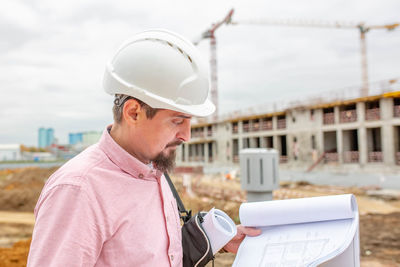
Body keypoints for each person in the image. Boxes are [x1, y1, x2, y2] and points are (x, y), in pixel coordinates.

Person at [27, 29, 260, 267]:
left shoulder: (153, 169)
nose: (186, 136)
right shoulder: (79, 191)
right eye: (177, 121)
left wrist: (215, 240)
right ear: (133, 113)